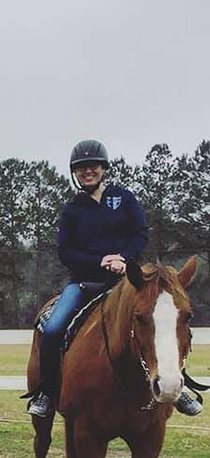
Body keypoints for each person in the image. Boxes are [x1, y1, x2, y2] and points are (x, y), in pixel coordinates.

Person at [27, 140, 202, 418]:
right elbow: (65, 250)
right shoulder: (72, 209)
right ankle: (48, 393)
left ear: (103, 169)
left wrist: (122, 258)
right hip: (84, 284)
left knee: (163, 321)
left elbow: (140, 233)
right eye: (82, 168)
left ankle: (177, 388)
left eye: (93, 166)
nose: (88, 171)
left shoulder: (125, 198)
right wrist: (99, 261)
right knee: (51, 330)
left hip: (128, 281)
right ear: (75, 173)